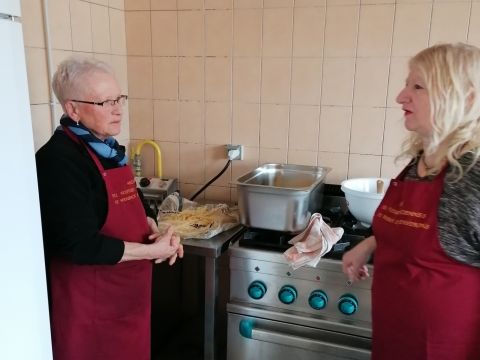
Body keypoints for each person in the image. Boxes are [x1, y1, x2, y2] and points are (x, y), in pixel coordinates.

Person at [35, 56, 184, 360]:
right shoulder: (58, 161)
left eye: (119, 98)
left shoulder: (110, 151)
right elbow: (78, 245)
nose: (117, 109)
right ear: (72, 108)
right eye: (104, 102)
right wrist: (150, 252)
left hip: (128, 304)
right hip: (90, 314)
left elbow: (136, 204)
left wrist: (156, 232)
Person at [342, 43, 480, 360]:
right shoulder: (419, 163)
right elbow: (423, 229)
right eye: (407, 84)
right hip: (394, 339)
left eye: (417, 86)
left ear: (466, 97)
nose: (401, 96)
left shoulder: (473, 176)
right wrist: (370, 244)